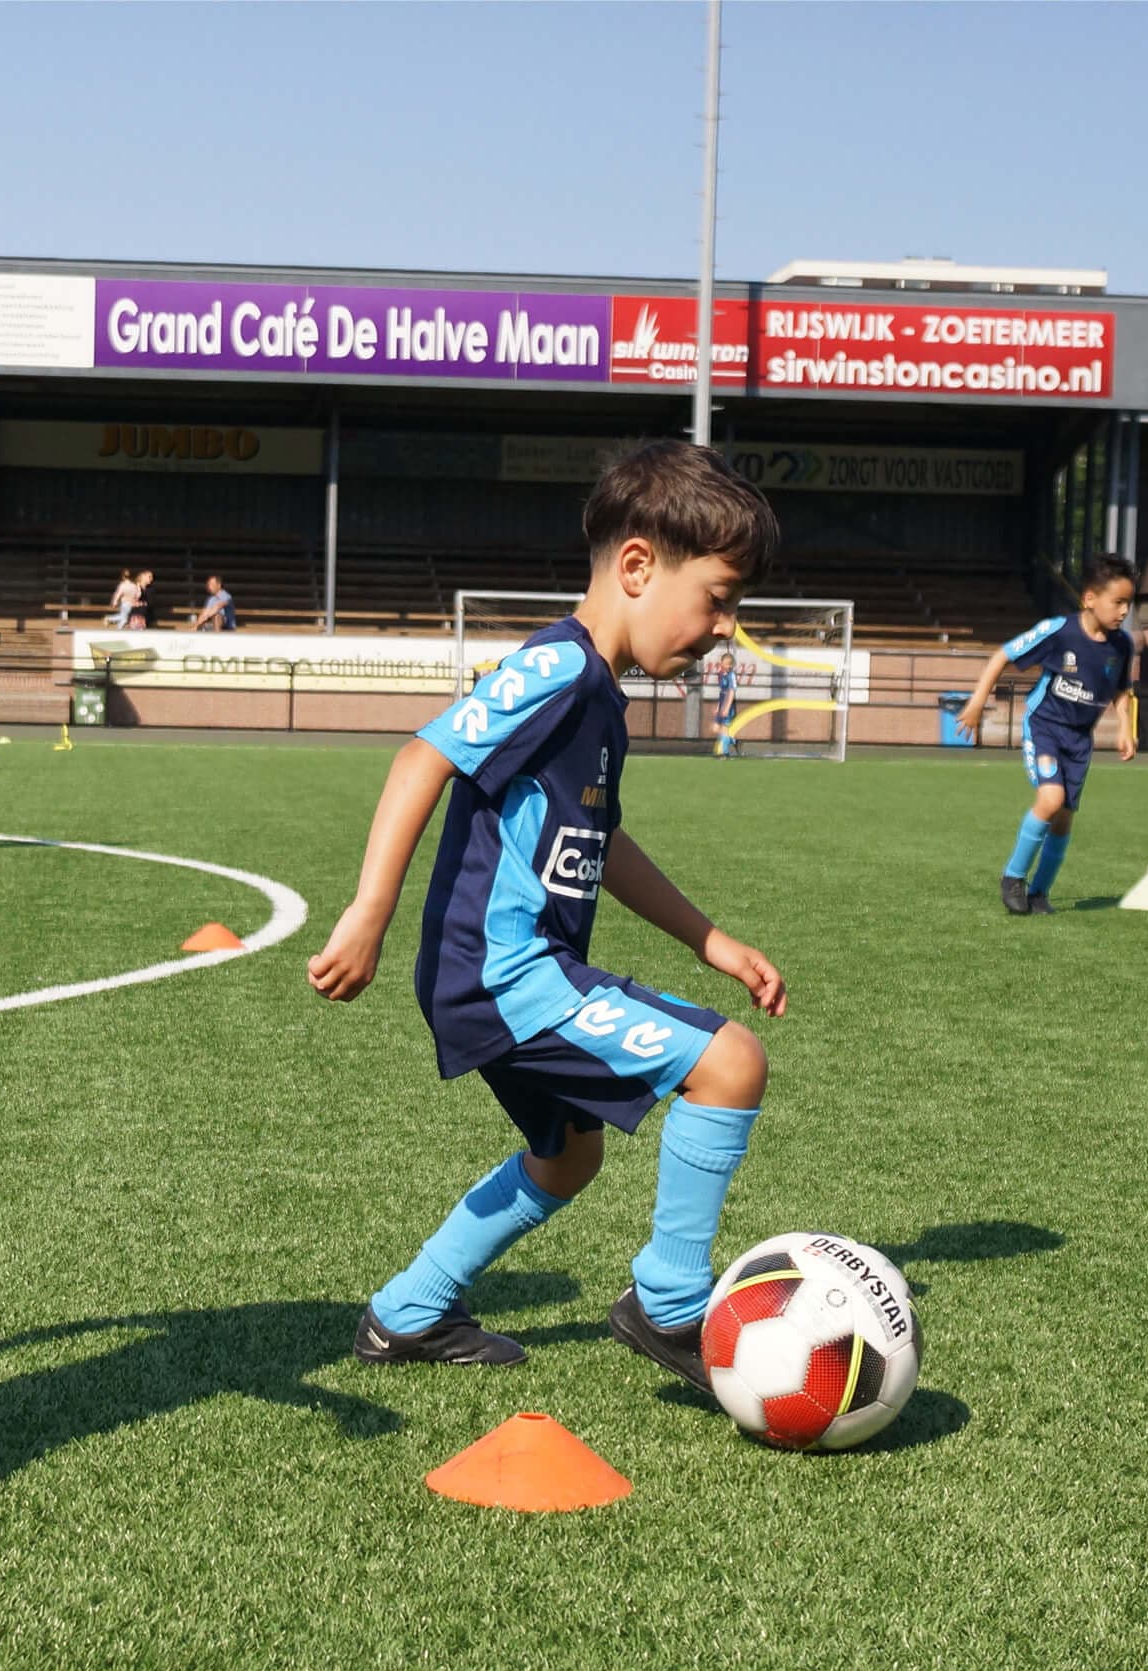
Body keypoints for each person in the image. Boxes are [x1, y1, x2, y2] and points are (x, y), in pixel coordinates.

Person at [308, 441, 788, 1385]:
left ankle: (407, 1313)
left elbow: (603, 844)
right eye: (720, 597)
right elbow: (422, 758)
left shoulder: (597, 696)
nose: (725, 628)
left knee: (569, 1159)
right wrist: (369, 910)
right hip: (507, 971)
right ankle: (672, 1307)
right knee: (730, 1063)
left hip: (501, 975)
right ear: (640, 566)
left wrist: (711, 938)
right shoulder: (559, 668)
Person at [951, 555, 1140, 915]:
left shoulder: (1122, 645)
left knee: (1065, 816)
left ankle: (1039, 894)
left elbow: (1120, 690)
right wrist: (977, 701)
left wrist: (1126, 729)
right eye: (1118, 602)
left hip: (1079, 740)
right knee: (1051, 799)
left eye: (1128, 603)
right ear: (1089, 598)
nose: (1123, 611)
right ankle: (1013, 878)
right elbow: (1002, 655)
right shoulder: (1059, 631)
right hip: (1045, 728)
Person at [712, 646, 739, 757]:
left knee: (724, 729)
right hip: (722, 704)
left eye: (729, 664)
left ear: (732, 665)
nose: (727, 666)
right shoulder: (721, 675)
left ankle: (724, 753)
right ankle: (734, 741)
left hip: (729, 706)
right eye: (725, 663)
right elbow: (722, 692)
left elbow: (731, 692)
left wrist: (727, 708)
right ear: (721, 664)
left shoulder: (731, 675)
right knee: (716, 729)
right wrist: (719, 707)